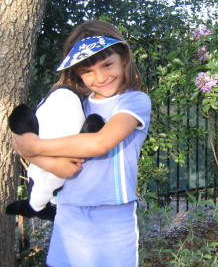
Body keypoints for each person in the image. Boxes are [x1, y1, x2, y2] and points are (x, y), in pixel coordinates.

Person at [11, 20, 151, 267]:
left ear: (124, 59)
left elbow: (100, 143)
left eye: (107, 64)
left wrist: (33, 148)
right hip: (69, 209)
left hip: (113, 214)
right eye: (87, 71)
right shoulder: (73, 106)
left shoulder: (134, 101)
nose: (100, 77)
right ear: (77, 73)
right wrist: (35, 153)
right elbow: (34, 145)